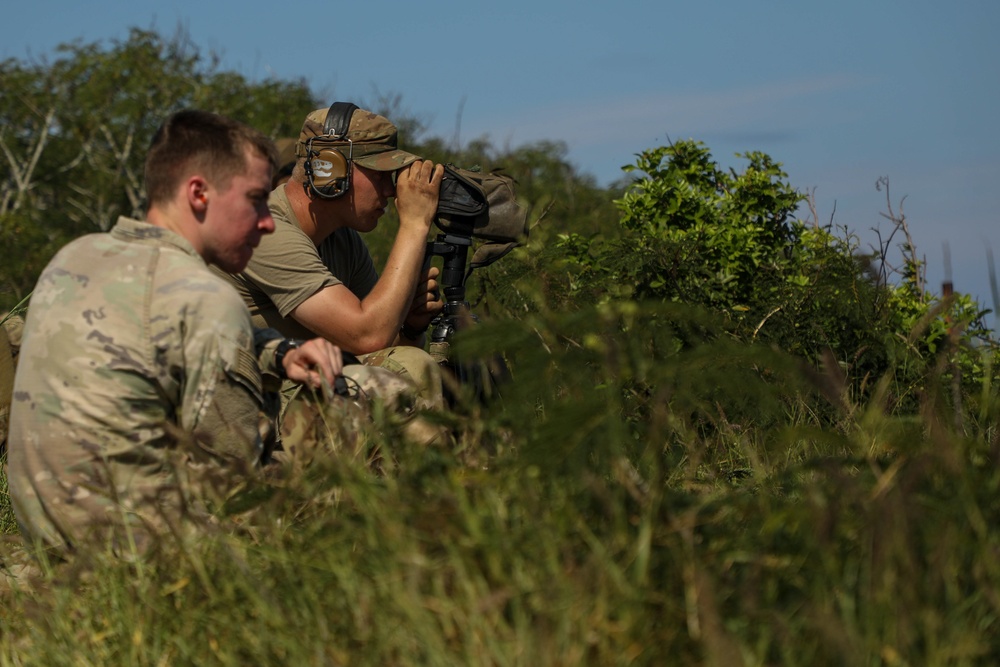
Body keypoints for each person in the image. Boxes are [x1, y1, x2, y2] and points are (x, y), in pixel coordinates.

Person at [5, 110, 344, 557]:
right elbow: (233, 487)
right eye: (258, 199)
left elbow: (151, 333)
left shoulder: (73, 259)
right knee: (364, 398)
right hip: (142, 557)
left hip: (47, 541)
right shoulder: (204, 296)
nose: (267, 221)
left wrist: (275, 352)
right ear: (199, 193)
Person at [213, 102, 448, 419]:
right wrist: (415, 224)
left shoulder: (343, 240)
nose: (391, 190)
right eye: (379, 174)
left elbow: (382, 348)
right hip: (241, 420)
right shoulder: (261, 230)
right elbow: (367, 335)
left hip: (291, 396)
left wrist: (411, 325)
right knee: (408, 369)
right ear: (330, 168)